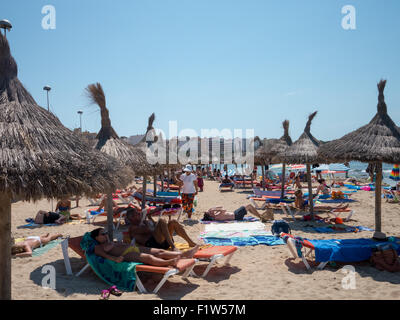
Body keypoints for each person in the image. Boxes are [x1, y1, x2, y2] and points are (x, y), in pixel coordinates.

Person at [90, 228, 199, 267]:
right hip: (125, 255)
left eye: (105, 233)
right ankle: (169, 262)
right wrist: (115, 259)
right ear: (96, 237)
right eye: (102, 233)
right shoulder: (98, 247)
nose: (105, 234)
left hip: (133, 248)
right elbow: (105, 255)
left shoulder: (110, 241)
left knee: (159, 251)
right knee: (148, 257)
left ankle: (185, 254)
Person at [127, 207, 198, 251]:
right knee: (161, 221)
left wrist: (150, 218)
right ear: (132, 218)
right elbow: (149, 231)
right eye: (137, 214)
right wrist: (146, 221)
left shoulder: (141, 222)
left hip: (162, 241)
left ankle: (190, 243)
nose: (139, 214)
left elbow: (155, 227)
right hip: (154, 245)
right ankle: (173, 247)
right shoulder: (133, 228)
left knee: (173, 222)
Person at [203, 204, 268, 221]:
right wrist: (214, 209)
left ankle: (260, 216)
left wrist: (214, 208)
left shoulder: (215, 215)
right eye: (209, 211)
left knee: (249, 208)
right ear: (210, 215)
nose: (209, 210)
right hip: (236, 216)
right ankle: (260, 216)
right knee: (249, 206)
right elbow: (224, 210)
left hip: (235, 213)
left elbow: (221, 206)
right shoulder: (216, 217)